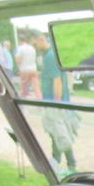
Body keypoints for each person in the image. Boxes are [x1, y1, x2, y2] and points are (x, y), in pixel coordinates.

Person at [30, 31, 79, 174]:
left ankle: (62, 165)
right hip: (52, 102)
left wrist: (56, 105)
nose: (34, 47)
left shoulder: (51, 56)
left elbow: (57, 81)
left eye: (35, 44)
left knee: (59, 133)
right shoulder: (48, 55)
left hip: (55, 104)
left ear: (41, 39)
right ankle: (66, 164)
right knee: (58, 133)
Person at [15, 35, 40, 99]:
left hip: (24, 69)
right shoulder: (32, 48)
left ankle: (23, 99)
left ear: (20, 41)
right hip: (33, 69)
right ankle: (40, 99)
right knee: (36, 87)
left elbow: (17, 60)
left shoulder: (20, 48)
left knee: (23, 87)